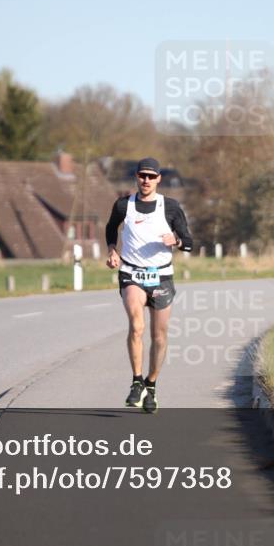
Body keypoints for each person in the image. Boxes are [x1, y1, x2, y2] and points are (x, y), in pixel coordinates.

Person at [105, 157, 192, 413]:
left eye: (151, 176)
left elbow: (189, 241)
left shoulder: (171, 207)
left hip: (162, 276)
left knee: (159, 336)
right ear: (136, 176)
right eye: (142, 175)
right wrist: (112, 250)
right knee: (137, 325)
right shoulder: (124, 205)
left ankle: (151, 384)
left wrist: (175, 240)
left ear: (158, 179)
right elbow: (111, 228)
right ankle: (136, 381)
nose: (146, 180)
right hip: (131, 272)